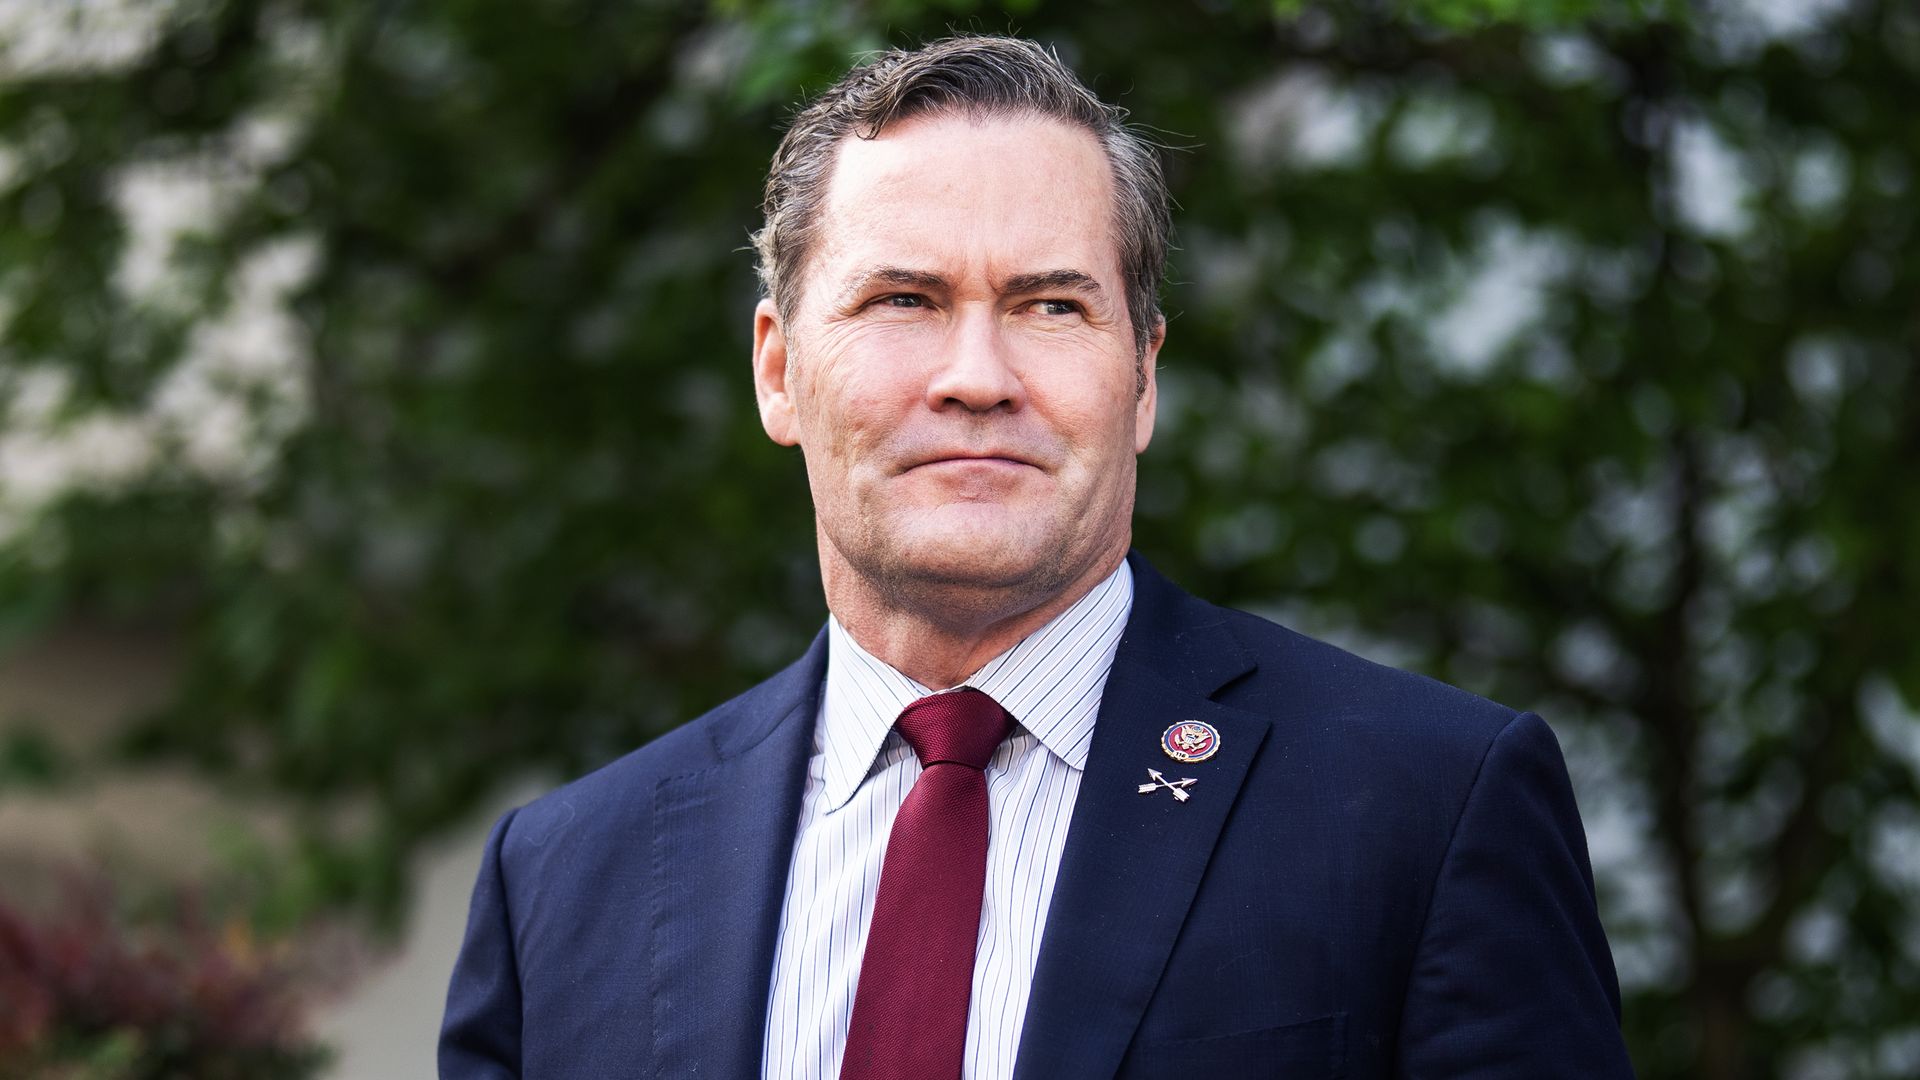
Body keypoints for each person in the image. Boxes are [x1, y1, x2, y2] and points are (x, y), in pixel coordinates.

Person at [440, 34, 1635, 1080]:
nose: (976, 376)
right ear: (777, 369)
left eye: (1051, 307)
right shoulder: (562, 882)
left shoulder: (1428, 810)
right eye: (903, 299)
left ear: (1146, 375)